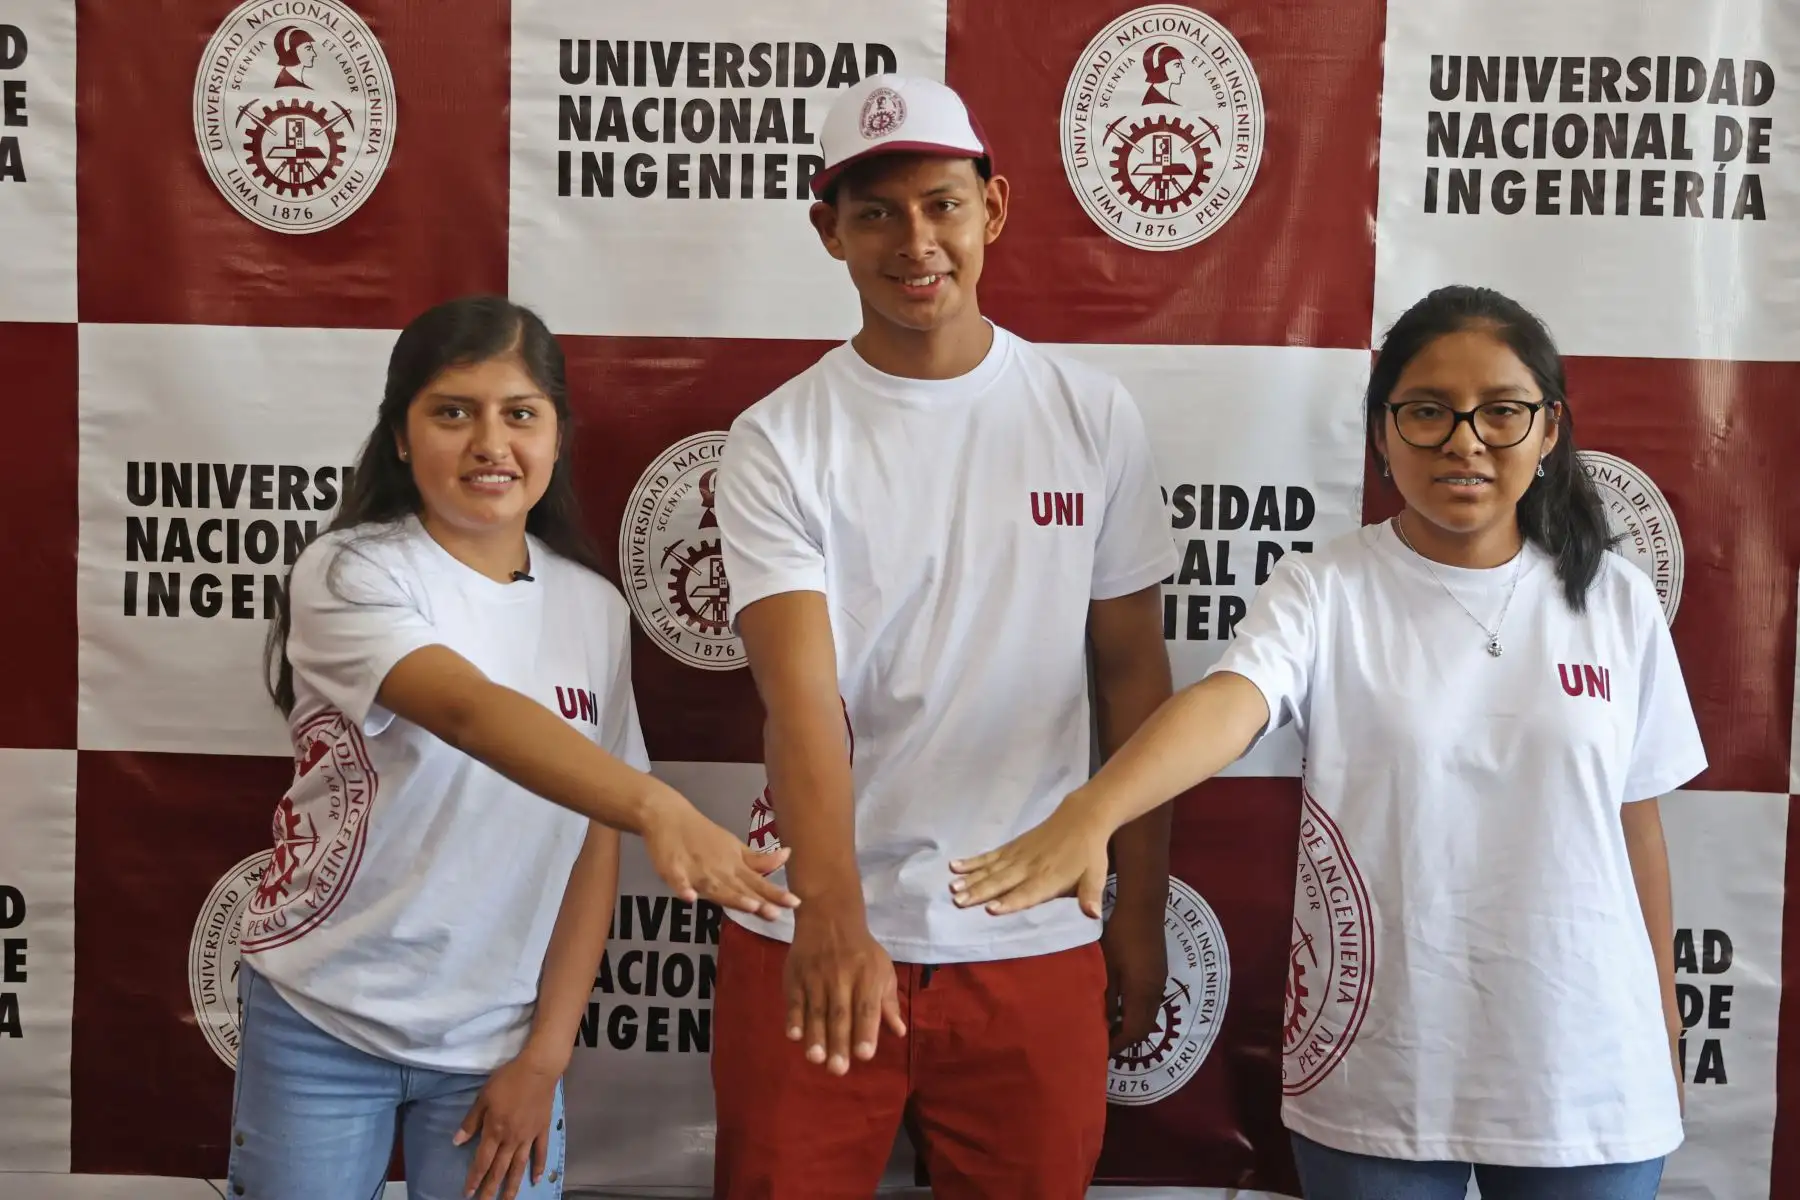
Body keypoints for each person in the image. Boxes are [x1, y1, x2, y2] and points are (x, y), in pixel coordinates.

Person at [950, 284, 1704, 1200]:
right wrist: (1094, 811)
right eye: (1428, 411)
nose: (1465, 440)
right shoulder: (1326, 588)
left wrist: (1664, 1021)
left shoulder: (1616, 599)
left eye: (1501, 412)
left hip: (1589, 1065)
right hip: (1383, 1060)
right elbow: (1229, 702)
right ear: (1383, 432)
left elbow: (1636, 829)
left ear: (1549, 430)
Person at [709, 74, 1179, 1199]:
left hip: (1028, 934)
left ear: (993, 210)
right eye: (876, 213)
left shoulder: (1091, 414)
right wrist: (835, 915)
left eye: (942, 205)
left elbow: (1133, 682)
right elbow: (800, 702)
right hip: (814, 927)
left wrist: (1143, 907)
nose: (915, 242)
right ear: (829, 231)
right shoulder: (778, 439)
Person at [228, 295, 796, 1200]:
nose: (490, 443)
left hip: (500, 1045)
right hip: (322, 1018)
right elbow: (468, 711)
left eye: (520, 414)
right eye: (454, 412)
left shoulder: (593, 609)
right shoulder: (349, 569)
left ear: (557, 435)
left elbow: (591, 846)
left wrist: (544, 1056)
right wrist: (660, 808)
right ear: (402, 436)